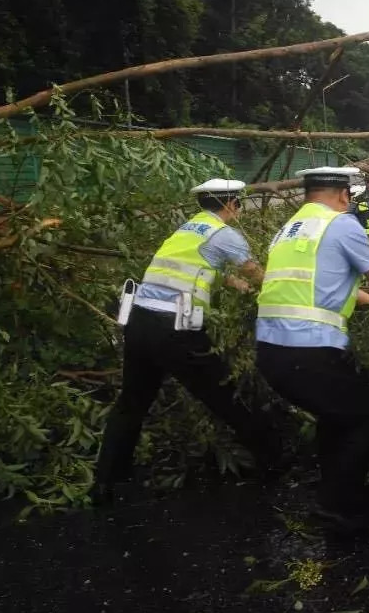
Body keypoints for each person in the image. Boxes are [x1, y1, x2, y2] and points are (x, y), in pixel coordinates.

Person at [91, 179, 281, 505]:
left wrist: (240, 289)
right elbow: (258, 275)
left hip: (139, 323)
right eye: (238, 205)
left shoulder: (186, 230)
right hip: (176, 329)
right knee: (225, 395)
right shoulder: (225, 235)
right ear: (232, 204)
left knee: (132, 403)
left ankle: (105, 483)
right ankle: (274, 461)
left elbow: (210, 271)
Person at [255, 166, 369, 533]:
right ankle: (337, 505)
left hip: (272, 351)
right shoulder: (343, 224)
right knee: (367, 415)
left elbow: (325, 283)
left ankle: (332, 488)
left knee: (334, 414)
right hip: (311, 349)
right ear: (343, 195)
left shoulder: (288, 231)